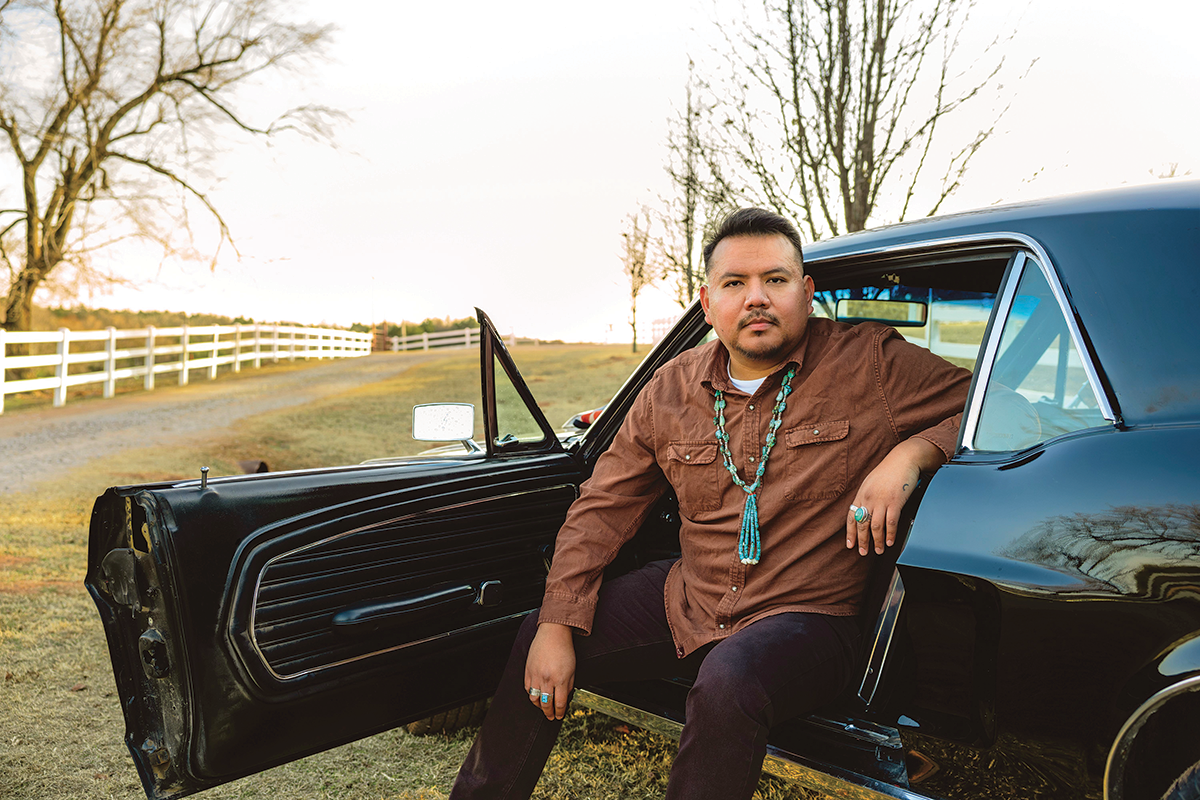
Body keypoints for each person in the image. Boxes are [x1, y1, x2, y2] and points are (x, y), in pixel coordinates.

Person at [450, 208, 971, 799]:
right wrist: (555, 620)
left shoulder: (873, 365)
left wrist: (913, 454)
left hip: (810, 618)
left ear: (807, 291)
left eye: (775, 280)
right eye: (735, 283)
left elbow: (999, 409)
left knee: (728, 681)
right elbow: (603, 506)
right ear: (706, 300)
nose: (757, 299)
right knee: (541, 635)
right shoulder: (670, 388)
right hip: (692, 597)